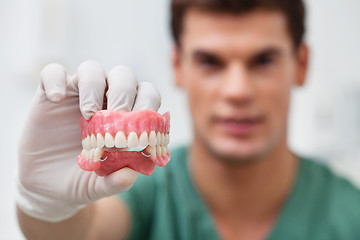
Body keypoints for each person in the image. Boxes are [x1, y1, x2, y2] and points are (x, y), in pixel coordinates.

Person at [16, 0, 360, 239]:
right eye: (210, 61)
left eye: (262, 61)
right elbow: (86, 232)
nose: (237, 91)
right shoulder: (146, 194)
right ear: (178, 66)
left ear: (300, 65)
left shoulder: (350, 215)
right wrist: (45, 207)